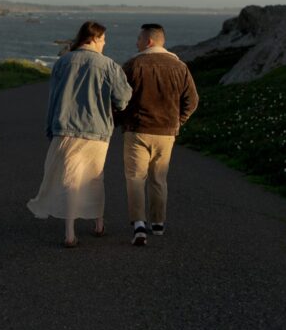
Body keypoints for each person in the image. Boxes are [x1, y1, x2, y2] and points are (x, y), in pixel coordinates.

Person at [27, 20, 132, 247]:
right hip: (97, 132)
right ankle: (99, 224)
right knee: (94, 176)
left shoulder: (62, 63)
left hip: (65, 129)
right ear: (93, 38)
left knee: (70, 179)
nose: (105, 43)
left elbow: (53, 99)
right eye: (103, 38)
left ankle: (70, 233)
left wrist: (49, 129)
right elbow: (123, 98)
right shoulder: (109, 65)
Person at [119, 23, 199, 246]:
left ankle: (138, 224)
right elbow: (192, 101)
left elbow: (119, 98)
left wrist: (118, 120)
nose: (137, 43)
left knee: (135, 178)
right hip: (166, 133)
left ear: (149, 41)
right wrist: (178, 122)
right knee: (159, 179)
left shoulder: (133, 64)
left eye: (139, 39)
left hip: (137, 130)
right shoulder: (180, 66)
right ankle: (158, 223)